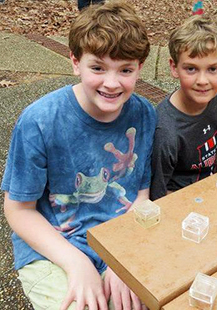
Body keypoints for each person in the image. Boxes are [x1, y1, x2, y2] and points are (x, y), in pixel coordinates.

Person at [1, 1, 155, 309]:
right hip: (53, 248)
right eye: (97, 68)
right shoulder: (39, 121)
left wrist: (122, 257)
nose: (111, 83)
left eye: (125, 70)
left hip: (118, 239)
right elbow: (18, 210)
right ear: (75, 62)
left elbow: (140, 193)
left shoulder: (144, 114)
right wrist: (77, 264)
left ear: (139, 67)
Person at [150, 15, 217, 200]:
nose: (202, 81)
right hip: (181, 201)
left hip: (214, 186)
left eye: (213, 69)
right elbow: (158, 193)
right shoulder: (165, 131)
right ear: (174, 67)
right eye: (191, 69)